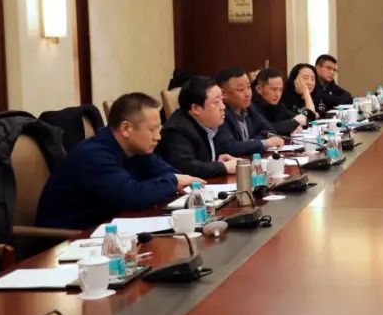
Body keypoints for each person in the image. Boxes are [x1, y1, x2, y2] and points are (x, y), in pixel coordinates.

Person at [36, 93, 197, 230]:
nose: (158, 136)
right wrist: (172, 181)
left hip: (110, 230)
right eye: (152, 130)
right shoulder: (94, 155)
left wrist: (172, 180)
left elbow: (170, 173)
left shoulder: (138, 149)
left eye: (158, 128)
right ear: (126, 128)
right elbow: (133, 196)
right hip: (70, 241)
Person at [156, 76, 237, 178]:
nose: (223, 107)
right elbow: (186, 167)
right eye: (216, 102)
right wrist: (223, 167)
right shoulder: (177, 131)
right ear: (195, 108)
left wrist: (217, 160)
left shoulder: (210, 122)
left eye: (222, 100)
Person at [215, 67, 285, 156]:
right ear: (223, 93)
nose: (248, 94)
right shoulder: (220, 113)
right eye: (241, 90)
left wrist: (252, 142)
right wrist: (263, 143)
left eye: (248, 87)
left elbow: (270, 130)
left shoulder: (249, 108)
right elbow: (229, 147)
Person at [253, 67, 308, 136]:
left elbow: (303, 119)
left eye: (280, 89)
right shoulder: (252, 107)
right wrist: (294, 123)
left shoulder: (278, 105)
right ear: (259, 89)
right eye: (274, 89)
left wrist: (295, 125)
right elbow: (266, 129)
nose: (278, 94)